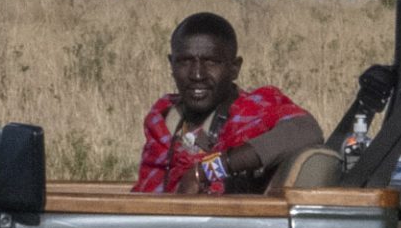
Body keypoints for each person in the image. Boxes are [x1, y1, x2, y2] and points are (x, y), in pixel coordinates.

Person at [134, 11, 324, 195]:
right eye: (184, 62)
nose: (197, 75)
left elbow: (305, 130)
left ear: (234, 69)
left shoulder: (252, 112)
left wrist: (207, 170)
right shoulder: (163, 119)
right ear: (171, 64)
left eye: (211, 63)